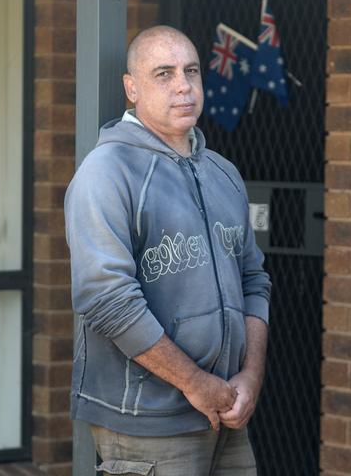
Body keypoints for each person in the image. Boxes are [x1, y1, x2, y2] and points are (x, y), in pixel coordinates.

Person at [64, 25, 272, 475]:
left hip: (227, 415)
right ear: (131, 88)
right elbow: (107, 300)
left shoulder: (223, 173)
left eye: (191, 71)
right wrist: (194, 383)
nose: (183, 85)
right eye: (163, 73)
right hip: (146, 423)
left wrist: (250, 378)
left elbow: (254, 280)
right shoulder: (106, 173)